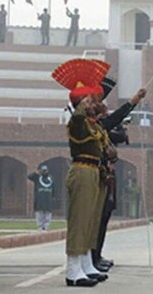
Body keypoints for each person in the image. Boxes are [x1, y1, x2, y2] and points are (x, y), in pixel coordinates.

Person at [52, 58, 112, 286]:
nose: (93, 102)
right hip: (82, 170)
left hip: (94, 172)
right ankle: (72, 270)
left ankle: (86, 263)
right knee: (79, 221)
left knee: (90, 221)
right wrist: (78, 103)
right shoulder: (77, 121)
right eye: (88, 99)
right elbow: (78, 115)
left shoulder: (92, 123)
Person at [93, 77, 147, 272]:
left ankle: (95, 256)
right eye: (97, 102)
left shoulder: (96, 123)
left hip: (105, 174)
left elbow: (114, 129)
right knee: (94, 220)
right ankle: (90, 258)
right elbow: (112, 125)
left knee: (104, 216)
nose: (101, 105)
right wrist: (133, 101)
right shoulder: (84, 123)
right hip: (94, 175)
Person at [28, 165, 56, 231]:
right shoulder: (37, 178)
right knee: (39, 213)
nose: (44, 172)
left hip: (48, 199)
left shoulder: (51, 178)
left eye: (45, 170)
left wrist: (53, 196)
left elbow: (53, 188)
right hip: (39, 199)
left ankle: (46, 226)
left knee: (48, 213)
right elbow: (29, 176)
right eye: (43, 170)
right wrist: (36, 172)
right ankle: (40, 226)